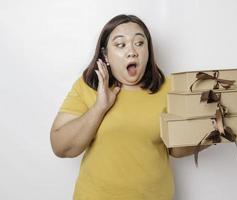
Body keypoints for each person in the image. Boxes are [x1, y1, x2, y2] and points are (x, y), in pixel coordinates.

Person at [50, 14, 210, 200]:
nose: (132, 51)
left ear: (148, 51)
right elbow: (61, 147)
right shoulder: (88, 85)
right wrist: (100, 107)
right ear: (105, 55)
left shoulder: (169, 88)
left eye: (139, 43)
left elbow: (176, 150)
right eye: (120, 45)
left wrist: (212, 133)